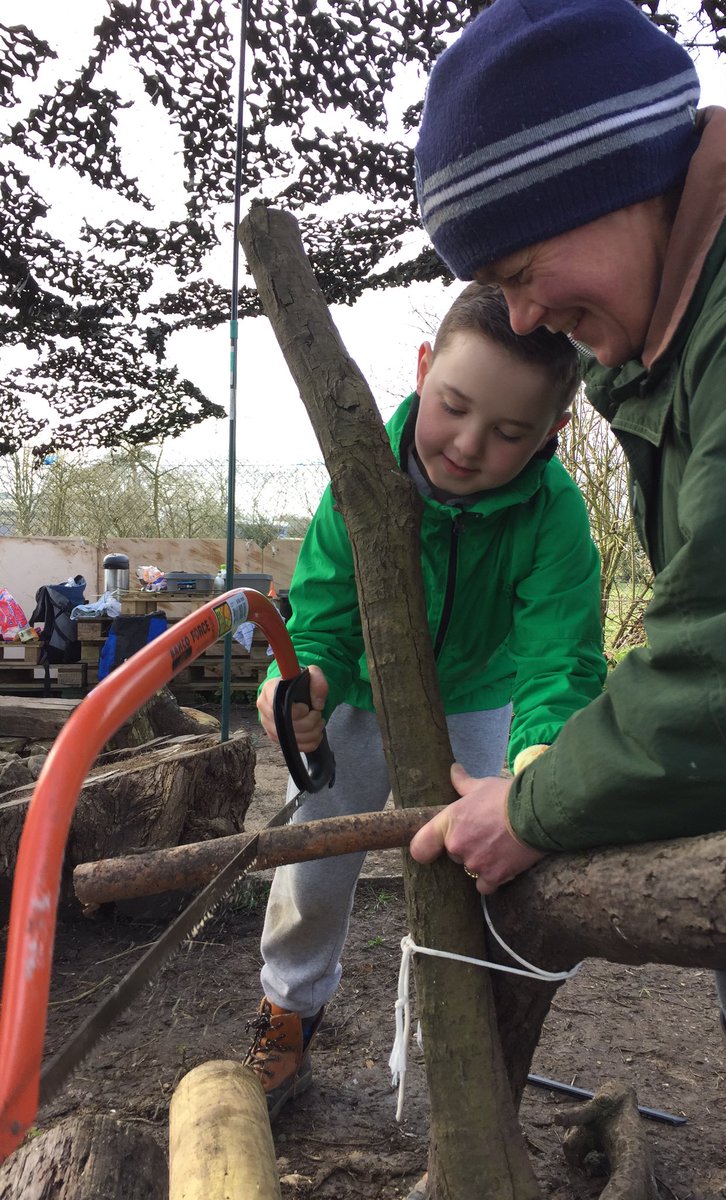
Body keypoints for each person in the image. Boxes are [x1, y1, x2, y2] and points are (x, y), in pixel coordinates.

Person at [407, 1, 726, 1196]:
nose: (524, 318)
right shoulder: (685, 320)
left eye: (526, 271)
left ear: (617, 178)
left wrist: (530, 804)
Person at [243, 281, 607, 1117]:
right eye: (453, 407)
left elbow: (561, 656)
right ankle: (287, 1015)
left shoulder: (554, 514)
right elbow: (324, 616)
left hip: (481, 703)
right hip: (364, 696)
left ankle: (466, 1035)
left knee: (482, 867)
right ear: (422, 367)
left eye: (511, 432)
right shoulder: (361, 478)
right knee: (314, 863)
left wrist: (538, 760)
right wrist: (306, 687)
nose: (471, 445)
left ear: (554, 432)